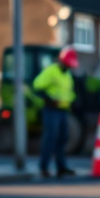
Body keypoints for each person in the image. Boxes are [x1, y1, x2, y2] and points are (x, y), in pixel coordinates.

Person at [33, 46, 78, 178]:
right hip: (51, 110)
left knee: (63, 138)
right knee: (50, 138)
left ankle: (61, 167)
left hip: (63, 110)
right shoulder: (51, 71)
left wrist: (73, 100)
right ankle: (44, 167)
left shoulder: (67, 74)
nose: (69, 67)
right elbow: (37, 86)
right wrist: (49, 100)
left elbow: (68, 92)